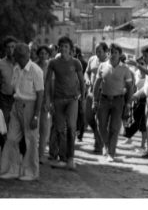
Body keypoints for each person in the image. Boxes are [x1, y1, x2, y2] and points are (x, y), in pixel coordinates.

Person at [0, 43, 44, 181]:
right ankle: (12, 169)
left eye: (24, 55)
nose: (21, 58)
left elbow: (40, 94)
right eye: (19, 56)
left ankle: (31, 172)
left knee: (30, 140)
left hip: (30, 106)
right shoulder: (16, 68)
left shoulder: (36, 70)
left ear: (28, 55)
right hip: (16, 105)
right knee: (11, 138)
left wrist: (36, 115)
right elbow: (13, 88)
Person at [45, 36, 85, 170]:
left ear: (70, 49)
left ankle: (70, 158)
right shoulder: (53, 63)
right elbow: (48, 82)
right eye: (61, 46)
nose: (63, 49)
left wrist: (83, 98)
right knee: (60, 129)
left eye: (66, 46)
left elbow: (82, 81)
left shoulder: (76, 63)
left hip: (72, 99)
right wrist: (48, 100)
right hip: (58, 100)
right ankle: (62, 158)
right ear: (58, 48)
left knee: (72, 128)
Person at [92, 44, 133, 162]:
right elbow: (96, 84)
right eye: (111, 52)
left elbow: (130, 87)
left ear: (120, 54)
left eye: (115, 52)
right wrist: (94, 101)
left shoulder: (125, 69)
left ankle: (111, 153)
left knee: (114, 128)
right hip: (103, 99)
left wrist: (128, 104)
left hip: (118, 101)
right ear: (108, 53)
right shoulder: (102, 66)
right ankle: (106, 145)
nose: (113, 55)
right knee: (101, 125)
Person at [83, 42, 108, 153]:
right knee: (88, 117)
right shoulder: (92, 59)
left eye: (100, 51)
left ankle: (99, 144)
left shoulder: (109, 62)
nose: (97, 53)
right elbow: (86, 72)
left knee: (100, 120)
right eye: (96, 51)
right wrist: (87, 79)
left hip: (102, 94)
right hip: (90, 93)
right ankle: (98, 139)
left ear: (106, 52)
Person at [123, 56, 148, 149]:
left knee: (142, 123)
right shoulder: (136, 73)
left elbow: (146, 88)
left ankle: (143, 144)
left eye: (142, 63)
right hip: (136, 99)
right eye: (139, 63)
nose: (140, 65)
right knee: (135, 119)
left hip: (145, 100)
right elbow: (133, 86)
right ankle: (128, 137)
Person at [0, 36, 18, 127]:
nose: (10, 49)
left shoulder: (21, 62)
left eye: (13, 47)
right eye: (8, 47)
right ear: (5, 48)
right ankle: (6, 140)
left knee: (17, 122)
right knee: (5, 121)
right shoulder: (0, 63)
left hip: (19, 97)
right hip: (5, 97)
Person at [35, 45, 52, 163]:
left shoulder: (50, 67)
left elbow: (50, 85)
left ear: (48, 55)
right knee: (33, 127)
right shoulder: (33, 65)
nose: (43, 55)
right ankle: (31, 153)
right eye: (41, 53)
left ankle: (40, 154)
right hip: (33, 98)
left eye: (45, 53)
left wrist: (48, 100)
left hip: (45, 99)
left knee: (44, 128)